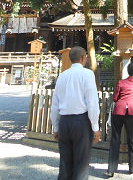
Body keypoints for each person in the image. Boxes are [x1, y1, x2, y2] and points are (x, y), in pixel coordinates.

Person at [50, 46, 100, 180]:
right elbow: (92, 103)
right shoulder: (88, 74)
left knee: (65, 164)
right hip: (81, 122)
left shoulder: (62, 76)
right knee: (81, 165)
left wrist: (56, 126)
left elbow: (54, 104)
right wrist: (95, 127)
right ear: (83, 58)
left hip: (64, 122)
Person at [106, 62, 133, 178]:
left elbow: (115, 98)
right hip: (131, 111)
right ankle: (131, 168)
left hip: (118, 110)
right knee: (131, 139)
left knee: (115, 138)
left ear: (128, 72)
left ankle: (111, 169)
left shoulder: (121, 82)